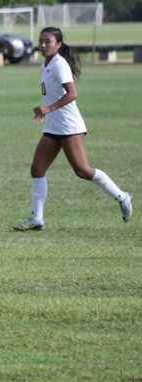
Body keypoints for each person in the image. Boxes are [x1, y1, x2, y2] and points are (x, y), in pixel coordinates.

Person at [15, 27, 132, 231]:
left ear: (58, 45)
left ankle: (123, 197)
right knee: (37, 169)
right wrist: (46, 111)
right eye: (41, 41)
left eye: (48, 41)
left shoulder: (59, 64)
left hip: (69, 126)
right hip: (53, 126)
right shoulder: (46, 64)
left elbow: (72, 94)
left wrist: (48, 108)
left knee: (82, 171)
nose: (42, 45)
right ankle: (37, 219)